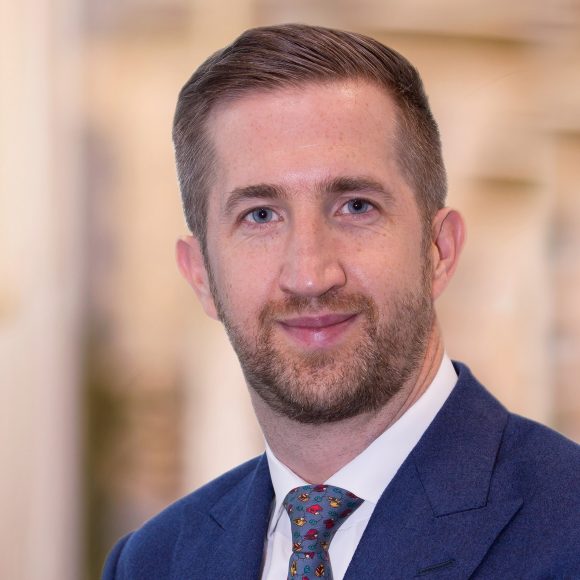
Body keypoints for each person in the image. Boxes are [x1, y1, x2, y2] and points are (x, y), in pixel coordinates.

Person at [103, 24, 579, 579]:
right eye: (260, 215)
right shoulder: (152, 562)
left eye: (355, 206)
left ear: (439, 250)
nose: (310, 275)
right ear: (201, 274)